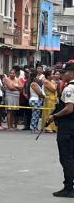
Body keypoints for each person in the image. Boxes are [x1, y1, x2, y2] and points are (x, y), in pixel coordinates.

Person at [47, 62, 74, 198]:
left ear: (71, 73)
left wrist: (54, 116)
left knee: (66, 157)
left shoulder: (69, 88)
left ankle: (69, 187)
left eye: (64, 73)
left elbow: (69, 108)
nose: (61, 75)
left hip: (67, 127)